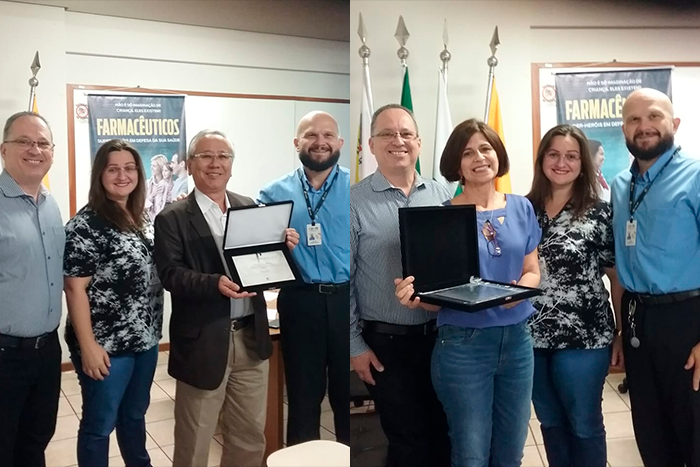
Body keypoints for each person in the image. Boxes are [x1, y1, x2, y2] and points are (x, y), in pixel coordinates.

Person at [395, 118, 541, 467]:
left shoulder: (521, 207)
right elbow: (433, 300)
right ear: (456, 164)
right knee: (471, 455)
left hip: (518, 342)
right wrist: (413, 297)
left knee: (510, 454)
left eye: (486, 148)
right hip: (463, 347)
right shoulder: (439, 219)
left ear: (498, 155)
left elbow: (532, 270)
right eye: (467, 152)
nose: (479, 157)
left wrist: (517, 293)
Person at [154, 129, 299, 467]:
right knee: (195, 442)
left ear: (232, 165)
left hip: (252, 337)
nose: (215, 163)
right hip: (203, 342)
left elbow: (261, 265)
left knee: (249, 438)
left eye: (223, 156)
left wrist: (282, 247)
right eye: (206, 156)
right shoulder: (172, 218)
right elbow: (170, 275)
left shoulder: (249, 207)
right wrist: (213, 283)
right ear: (190, 165)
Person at [350, 104, 451, 467]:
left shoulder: (443, 196)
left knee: (444, 433)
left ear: (420, 143)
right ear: (371, 145)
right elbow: (343, 281)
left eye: (406, 134)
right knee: (407, 441)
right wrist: (355, 346)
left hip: (442, 339)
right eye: (387, 134)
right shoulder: (353, 202)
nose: (398, 141)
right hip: (386, 345)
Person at [611, 88, 700, 466]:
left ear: (674, 124)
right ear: (624, 130)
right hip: (637, 318)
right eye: (633, 119)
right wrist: (619, 326)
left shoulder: (695, 177)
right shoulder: (619, 186)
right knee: (650, 429)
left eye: (654, 116)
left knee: (694, 432)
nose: (643, 126)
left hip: (688, 318)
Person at [526, 125, 624, 467]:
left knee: (583, 424)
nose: (562, 163)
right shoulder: (523, 210)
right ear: (542, 160)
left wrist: (621, 334)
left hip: (585, 336)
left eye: (571, 156)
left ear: (583, 163)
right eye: (554, 154)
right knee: (550, 423)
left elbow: (616, 279)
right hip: (530, 336)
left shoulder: (600, 212)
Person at [63, 139, 164, 467]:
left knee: (134, 415)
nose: (123, 175)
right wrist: (88, 346)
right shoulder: (85, 226)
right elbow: (74, 289)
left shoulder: (141, 218)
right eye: (113, 168)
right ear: (100, 175)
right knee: (99, 424)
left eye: (130, 167)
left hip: (145, 340)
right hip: (106, 345)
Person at [258, 111, 350, 445]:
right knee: (302, 399)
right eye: (311, 135)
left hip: (349, 303)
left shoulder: (358, 188)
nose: (320, 142)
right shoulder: (271, 194)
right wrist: (276, 247)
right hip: (300, 301)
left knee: (347, 398)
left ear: (339, 143)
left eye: (328, 135)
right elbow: (258, 259)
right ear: (297, 143)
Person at [0, 111, 64, 467]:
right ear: (3, 150)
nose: (34, 149)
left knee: (36, 440)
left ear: (51, 152)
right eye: (24, 141)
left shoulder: (51, 205)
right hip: (5, 354)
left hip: (46, 351)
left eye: (42, 143)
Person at [145, 154, 167, 221]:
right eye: (151, 165)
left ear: (161, 167)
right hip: (149, 220)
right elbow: (142, 206)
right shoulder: (147, 183)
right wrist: (152, 195)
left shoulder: (170, 185)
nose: (151, 168)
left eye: (154, 166)